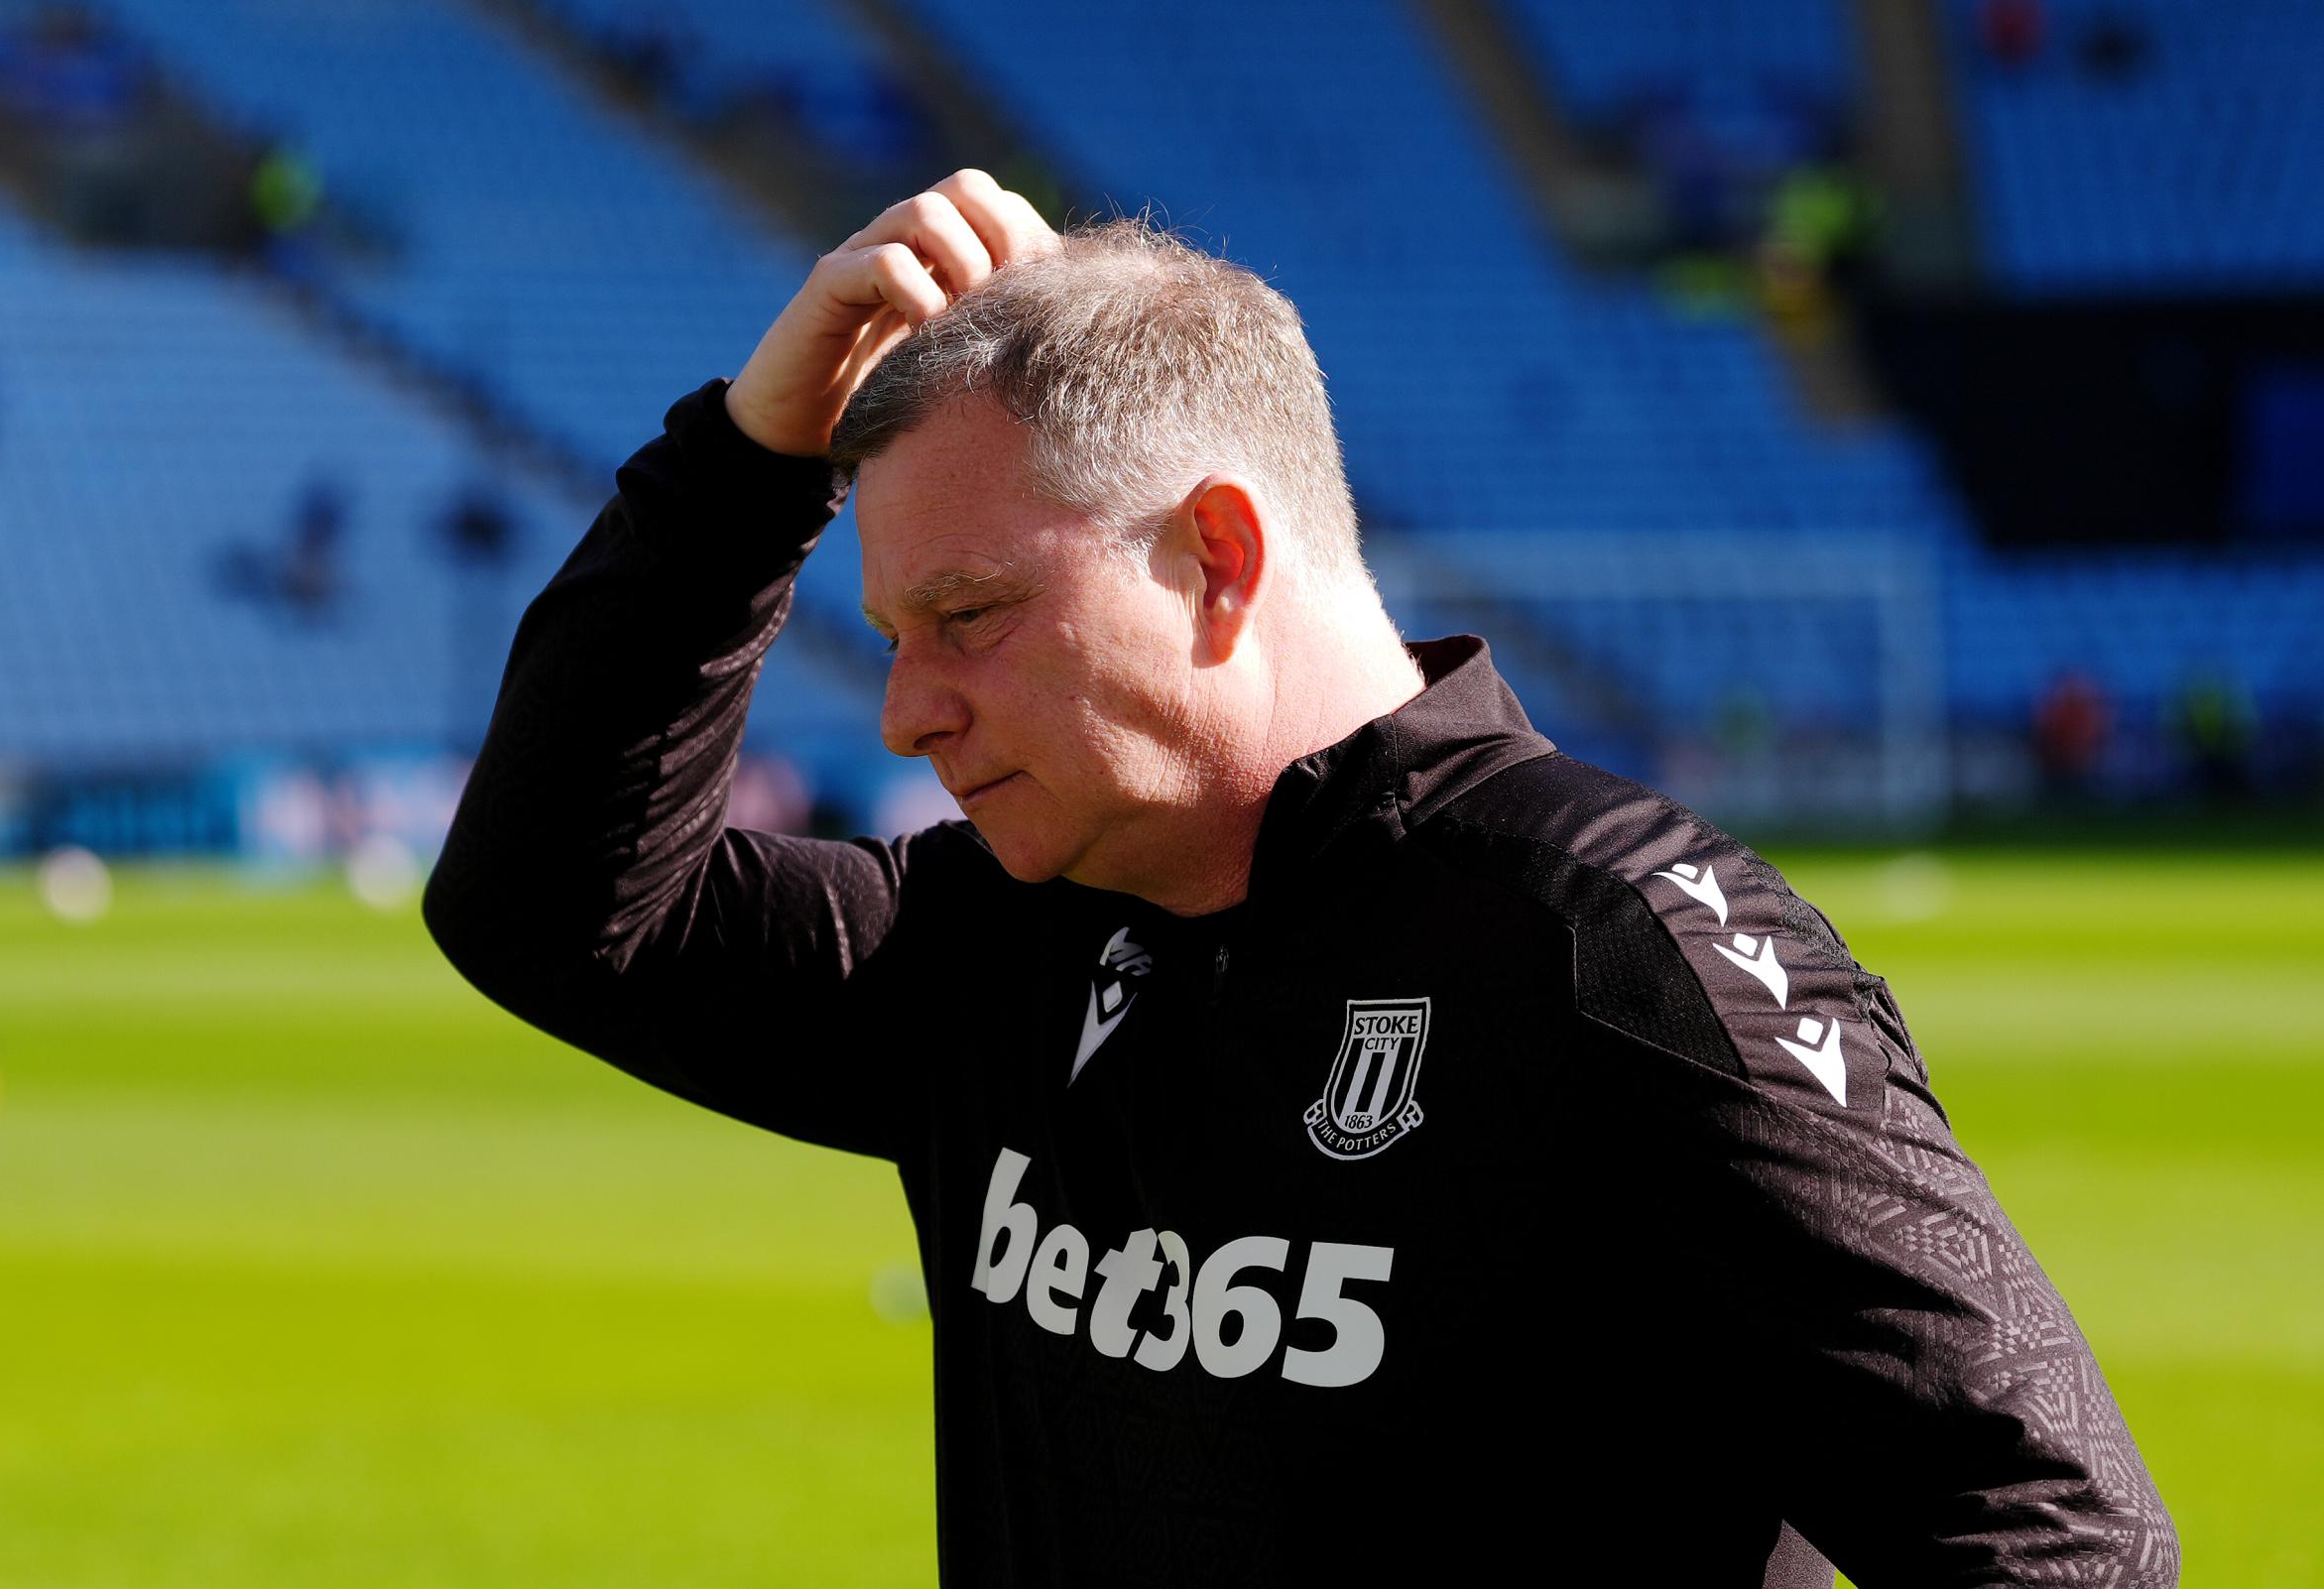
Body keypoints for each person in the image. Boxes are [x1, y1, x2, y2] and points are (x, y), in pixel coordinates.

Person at [424, 171, 2177, 1587]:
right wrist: (742, 472)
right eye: (893, 634)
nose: (906, 709)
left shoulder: (1614, 946)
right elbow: (547, 907)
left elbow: (2051, 1536)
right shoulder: (992, 939)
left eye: (967, 615)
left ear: (1217, 553)